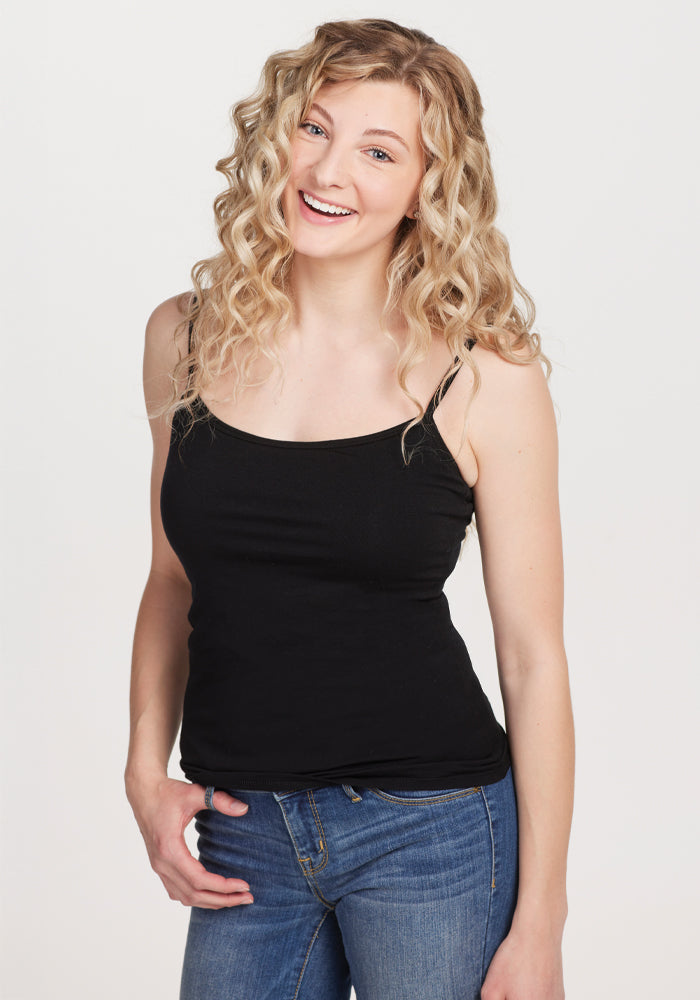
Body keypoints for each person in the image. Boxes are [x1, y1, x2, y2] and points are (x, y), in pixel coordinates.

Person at [125, 17, 574, 1000]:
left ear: (428, 188)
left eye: (379, 150)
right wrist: (142, 771)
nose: (329, 171)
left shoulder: (483, 375)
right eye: (313, 129)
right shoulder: (184, 339)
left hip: (434, 828)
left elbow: (533, 658)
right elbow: (171, 577)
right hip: (242, 830)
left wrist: (539, 922)